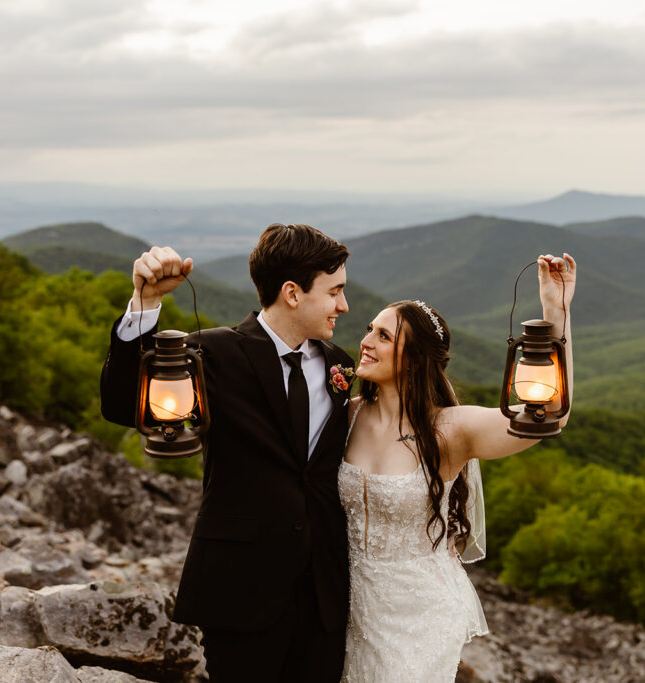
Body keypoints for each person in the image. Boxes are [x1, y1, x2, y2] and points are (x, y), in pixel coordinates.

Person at [99, 224, 354, 682]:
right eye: (335, 291)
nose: (344, 305)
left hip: (324, 598)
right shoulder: (210, 354)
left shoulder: (341, 365)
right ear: (293, 293)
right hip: (241, 592)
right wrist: (145, 305)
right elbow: (122, 405)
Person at [338, 253, 576, 682]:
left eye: (384, 336)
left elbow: (551, 414)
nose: (366, 341)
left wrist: (555, 311)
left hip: (419, 614)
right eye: (369, 329)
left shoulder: (450, 430)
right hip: (345, 607)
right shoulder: (346, 416)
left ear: (413, 358)